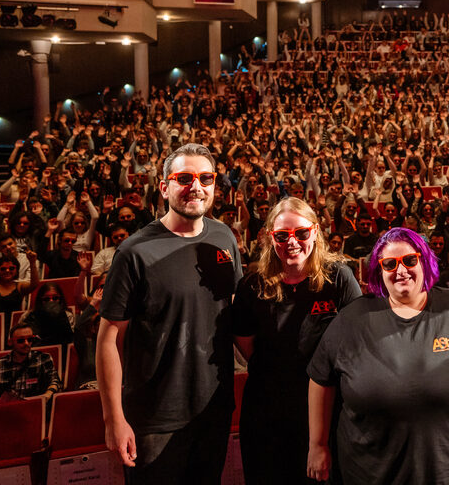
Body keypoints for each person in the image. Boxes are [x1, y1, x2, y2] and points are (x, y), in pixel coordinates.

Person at [306, 227, 449, 484]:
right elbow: (320, 379)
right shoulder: (351, 320)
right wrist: (318, 444)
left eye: (410, 261)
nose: (401, 271)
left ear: (424, 261)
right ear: (379, 271)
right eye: (390, 264)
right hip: (372, 472)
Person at [96, 144, 242, 483]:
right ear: (164, 187)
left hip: (213, 410)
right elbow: (108, 338)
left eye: (206, 178)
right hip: (155, 419)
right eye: (185, 178)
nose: (197, 186)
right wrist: (113, 419)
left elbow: (231, 313)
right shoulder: (134, 251)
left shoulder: (223, 237)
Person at [232, 197, 361, 485]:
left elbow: (356, 340)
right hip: (267, 407)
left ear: (315, 231)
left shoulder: (338, 277)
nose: (292, 242)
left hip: (327, 405)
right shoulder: (252, 285)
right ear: (269, 237)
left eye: (301, 233)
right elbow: (245, 341)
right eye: (282, 235)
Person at [0, 323, 62, 404]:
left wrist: (47, 395)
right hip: (7, 411)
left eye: (30, 339)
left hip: (34, 409)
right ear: (10, 342)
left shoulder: (43, 359)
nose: (26, 343)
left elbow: (55, 381)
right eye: (20, 340)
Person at [18, 280, 78, 347]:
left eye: (55, 298)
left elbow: (72, 341)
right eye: (46, 299)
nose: (51, 302)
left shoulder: (68, 316)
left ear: (60, 299)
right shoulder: (27, 316)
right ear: (40, 300)